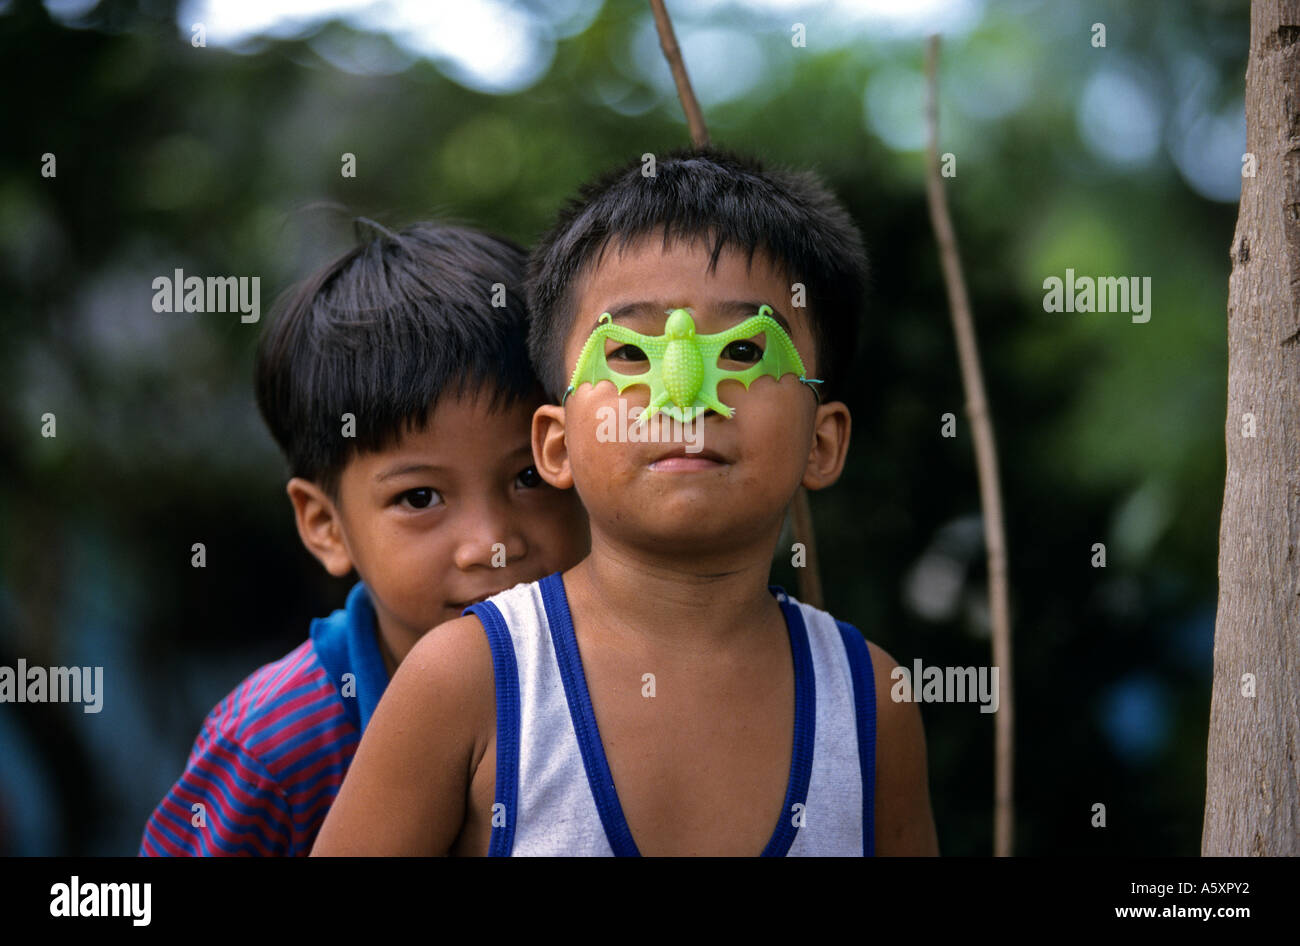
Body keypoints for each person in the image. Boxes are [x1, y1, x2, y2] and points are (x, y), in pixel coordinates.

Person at [313, 150, 939, 856]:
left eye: (741, 351)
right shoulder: (467, 679)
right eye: (631, 355)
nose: (684, 394)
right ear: (555, 446)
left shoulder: (869, 704)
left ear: (823, 443)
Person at [140, 221, 589, 856]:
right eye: (419, 498)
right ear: (325, 525)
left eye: (527, 476)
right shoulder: (279, 740)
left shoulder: (629, 685)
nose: (492, 543)